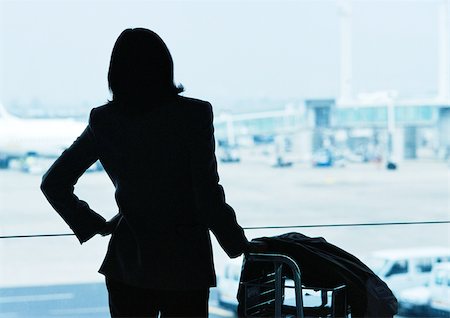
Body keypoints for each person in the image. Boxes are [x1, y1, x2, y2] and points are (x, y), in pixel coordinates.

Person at [40, 28, 256, 317]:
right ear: (165, 66)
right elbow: (206, 194)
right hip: (185, 265)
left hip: (128, 264)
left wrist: (94, 224)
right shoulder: (194, 115)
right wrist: (237, 244)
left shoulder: (104, 120)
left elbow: (53, 183)